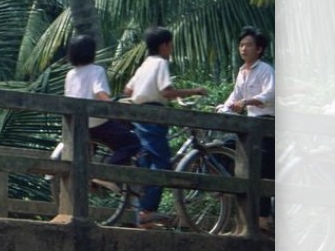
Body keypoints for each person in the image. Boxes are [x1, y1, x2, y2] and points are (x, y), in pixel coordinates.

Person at [123, 26, 207, 228]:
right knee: (161, 163)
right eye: (170, 45)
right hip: (154, 115)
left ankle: (142, 212)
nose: (171, 48)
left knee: (148, 159)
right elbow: (166, 91)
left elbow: (128, 89)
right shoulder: (161, 63)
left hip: (139, 114)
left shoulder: (144, 65)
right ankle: (147, 211)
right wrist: (194, 91)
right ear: (164, 45)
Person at [217, 26, 275, 232]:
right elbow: (235, 97)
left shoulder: (266, 70)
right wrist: (222, 109)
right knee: (224, 149)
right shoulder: (242, 72)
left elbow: (270, 94)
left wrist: (248, 101)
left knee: (263, 172)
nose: (243, 48)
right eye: (241, 45)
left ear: (259, 49)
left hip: (267, 124)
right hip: (249, 126)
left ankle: (263, 219)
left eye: (248, 45)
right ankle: (230, 193)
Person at [64, 34, 140, 169]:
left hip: (76, 124)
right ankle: (108, 174)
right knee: (132, 143)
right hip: (96, 124)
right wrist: (113, 107)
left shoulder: (70, 74)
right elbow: (99, 92)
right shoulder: (96, 70)